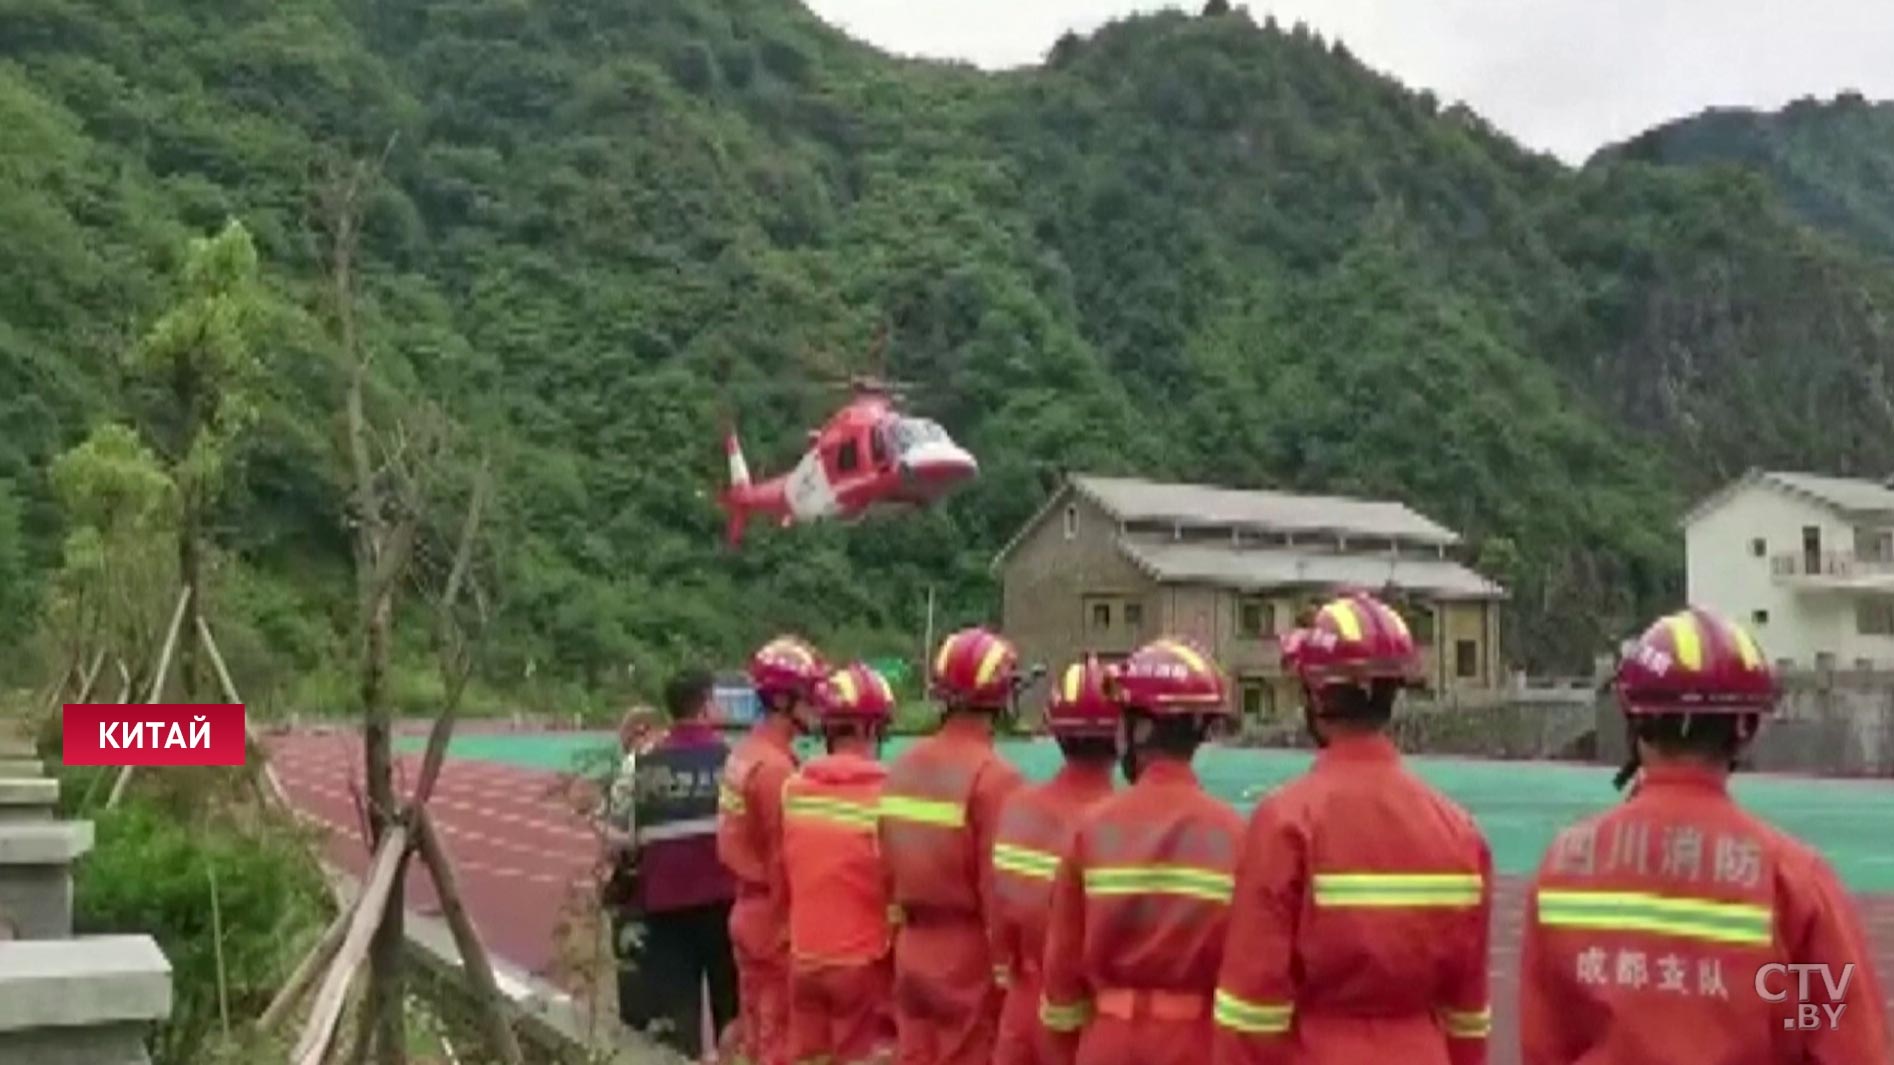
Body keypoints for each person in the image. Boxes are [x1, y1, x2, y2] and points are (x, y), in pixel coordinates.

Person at [1518, 607, 1890, 1065]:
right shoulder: (1795, 883)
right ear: (1746, 728)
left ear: (1634, 721)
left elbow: (1545, 1044)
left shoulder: (1563, 866)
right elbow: (1843, 1046)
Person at [1213, 590, 1493, 1065]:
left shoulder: (1286, 822)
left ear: (1315, 693)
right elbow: (1468, 1018)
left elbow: (1250, 1014)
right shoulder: (1459, 831)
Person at [1039, 636, 1245, 1065]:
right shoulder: (1236, 835)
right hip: (1198, 1044)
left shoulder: (1090, 829)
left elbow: (1061, 977)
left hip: (1108, 1042)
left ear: (1143, 728)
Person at [879, 626, 1028, 1065]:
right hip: (966, 955)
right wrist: (1007, 978)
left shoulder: (902, 766)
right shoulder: (995, 778)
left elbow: (885, 868)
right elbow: (998, 893)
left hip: (911, 947)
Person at [991, 655, 1120, 1065]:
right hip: (1085, 1014)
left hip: (1020, 1003)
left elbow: (1000, 921)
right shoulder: (1118, 824)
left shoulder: (1016, 808)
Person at [783, 661, 900, 1065]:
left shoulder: (795, 787)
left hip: (803, 956)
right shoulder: (888, 793)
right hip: (861, 960)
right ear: (871, 729)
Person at [719, 635, 827, 1065]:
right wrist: (792, 928)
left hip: (745, 906)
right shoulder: (778, 770)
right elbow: (784, 860)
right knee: (780, 1037)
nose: (817, 705)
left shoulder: (744, 754)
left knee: (755, 1029)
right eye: (808, 695)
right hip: (771, 916)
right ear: (784, 699)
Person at [627, 670, 740, 1060]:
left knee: (677, 1026)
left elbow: (625, 837)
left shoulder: (644, 765)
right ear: (706, 704)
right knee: (734, 1020)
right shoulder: (733, 761)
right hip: (725, 906)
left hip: (665, 910)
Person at [601, 705, 669, 1032]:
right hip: (685, 887)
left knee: (633, 959)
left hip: (640, 881)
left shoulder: (634, 766)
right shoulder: (682, 759)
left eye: (624, 736)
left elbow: (619, 838)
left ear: (640, 731)